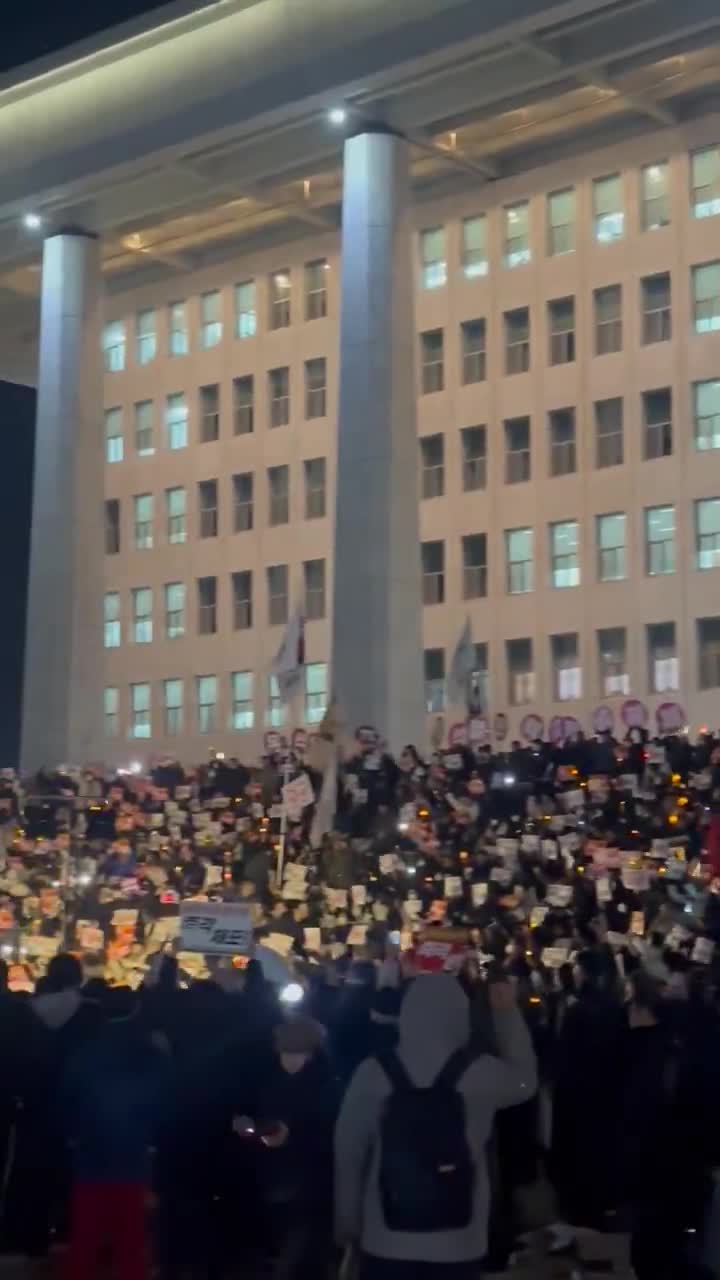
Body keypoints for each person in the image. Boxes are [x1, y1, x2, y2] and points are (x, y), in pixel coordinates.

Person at [334, 973, 537, 1279]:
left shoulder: (373, 1072)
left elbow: (348, 1151)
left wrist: (349, 1223)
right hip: (460, 1239)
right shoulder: (479, 1072)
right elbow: (525, 1082)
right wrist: (506, 1013)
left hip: (385, 1237)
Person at [60, 987, 170, 1280]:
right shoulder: (151, 1053)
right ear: (135, 1010)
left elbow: (65, 1101)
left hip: (90, 1150)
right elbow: (163, 1102)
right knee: (131, 1237)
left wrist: (72, 1135)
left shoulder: (84, 1051)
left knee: (84, 1235)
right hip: (135, 1151)